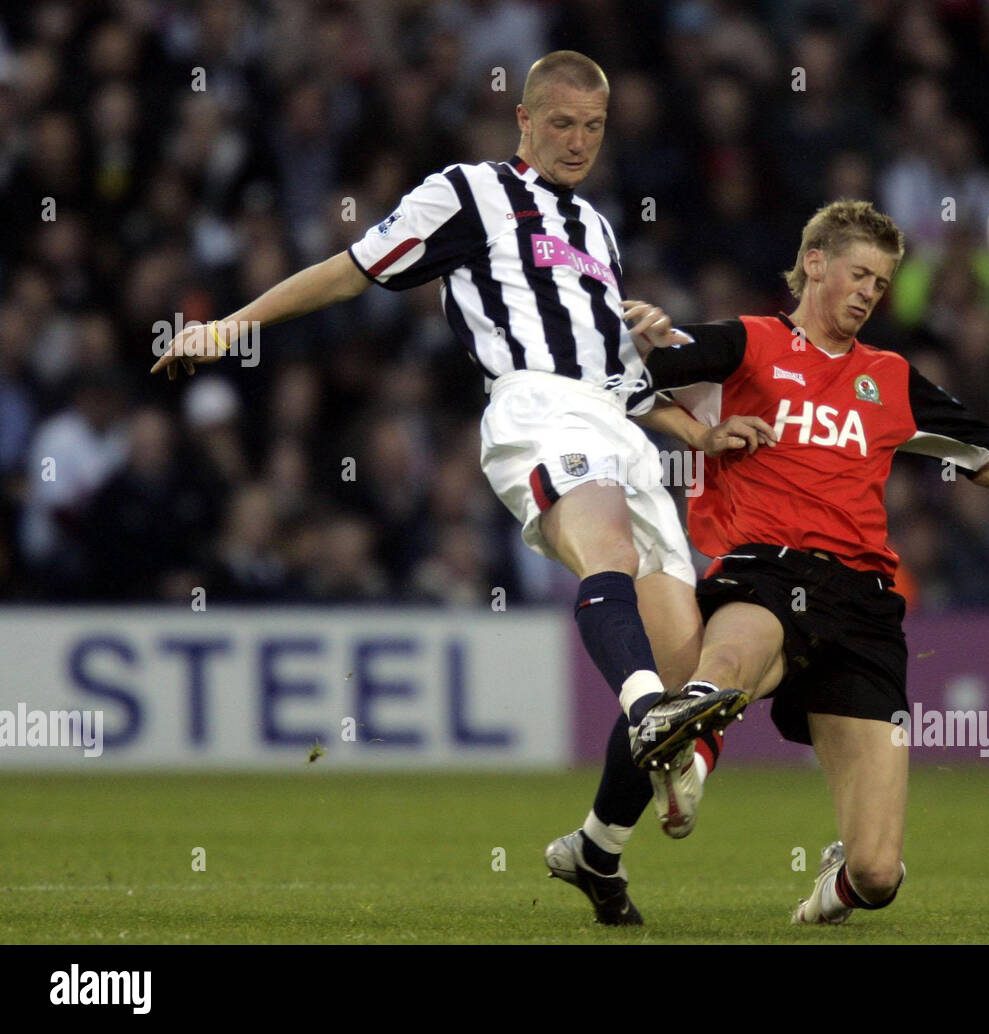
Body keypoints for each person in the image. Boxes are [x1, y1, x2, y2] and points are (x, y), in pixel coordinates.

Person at [150, 50, 758, 925]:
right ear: (523, 119)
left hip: (617, 426)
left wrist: (702, 431)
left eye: (593, 127)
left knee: (678, 650)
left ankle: (597, 849)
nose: (579, 142)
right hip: (534, 409)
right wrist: (230, 326)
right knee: (613, 570)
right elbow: (352, 266)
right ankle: (646, 713)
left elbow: (621, 379)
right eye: (561, 124)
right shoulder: (468, 192)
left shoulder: (599, 230)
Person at [590, 198, 989, 924]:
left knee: (879, 875)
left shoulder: (891, 378)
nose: (871, 292)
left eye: (883, 281)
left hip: (864, 605)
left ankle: (797, 849)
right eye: (860, 273)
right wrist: (694, 426)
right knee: (728, 669)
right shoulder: (746, 343)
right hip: (767, 571)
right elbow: (618, 381)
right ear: (814, 264)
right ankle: (689, 753)